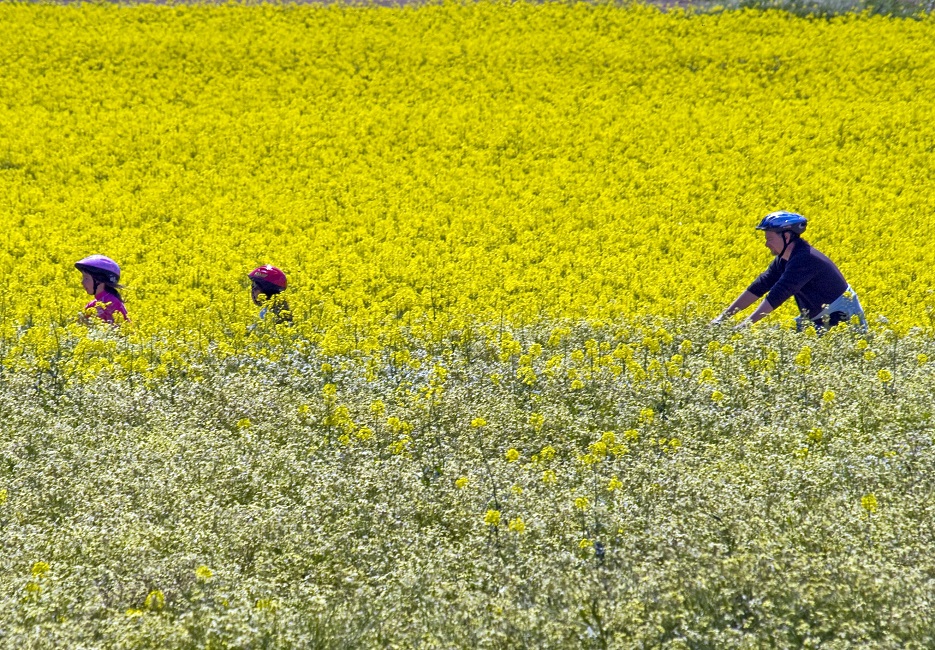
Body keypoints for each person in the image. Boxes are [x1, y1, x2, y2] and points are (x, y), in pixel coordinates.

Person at [712, 211, 866, 331]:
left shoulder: (805, 259)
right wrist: (722, 318)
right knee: (771, 338)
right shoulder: (784, 259)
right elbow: (760, 285)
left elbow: (778, 294)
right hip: (817, 320)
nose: (766, 244)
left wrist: (745, 326)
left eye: (770, 239)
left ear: (786, 236)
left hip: (842, 323)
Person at [75, 255, 129, 325]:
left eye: (86, 278)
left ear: (99, 280)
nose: (82, 282)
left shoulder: (112, 303)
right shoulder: (92, 305)